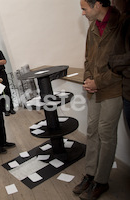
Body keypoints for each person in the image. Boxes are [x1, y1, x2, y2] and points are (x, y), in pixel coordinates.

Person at [74, 1, 123, 200]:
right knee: (92, 130)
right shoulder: (93, 27)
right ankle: (90, 174)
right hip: (93, 90)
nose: (83, 13)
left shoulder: (122, 24)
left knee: (106, 133)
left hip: (112, 90)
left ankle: (101, 181)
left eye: (85, 8)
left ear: (97, 5)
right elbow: (88, 59)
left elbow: (123, 64)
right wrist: (87, 78)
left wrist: (98, 82)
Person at [109, 0, 130, 130]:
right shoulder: (123, 21)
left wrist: (117, 62)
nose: (112, 3)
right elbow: (112, 60)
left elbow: (113, 61)